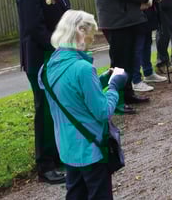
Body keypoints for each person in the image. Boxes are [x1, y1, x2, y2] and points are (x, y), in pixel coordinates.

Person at [39, 10, 128, 200]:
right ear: (79, 31)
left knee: (75, 194)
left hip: (67, 146)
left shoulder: (46, 68)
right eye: (91, 34)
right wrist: (114, 86)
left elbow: (69, 95)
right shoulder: (83, 69)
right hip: (90, 147)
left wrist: (101, 80)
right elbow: (103, 111)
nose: (93, 40)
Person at [16, 0, 70, 185]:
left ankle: (59, 155)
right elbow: (33, 28)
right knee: (45, 109)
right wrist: (60, 44)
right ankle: (45, 165)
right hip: (41, 57)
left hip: (58, 52)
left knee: (59, 106)